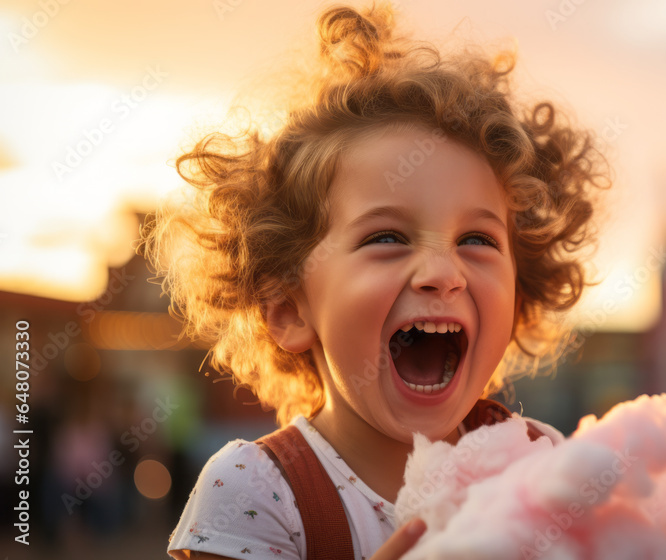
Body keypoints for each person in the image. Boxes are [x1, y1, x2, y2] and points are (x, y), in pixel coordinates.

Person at [143, 3, 609, 558]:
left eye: (477, 240)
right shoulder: (256, 493)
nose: (443, 274)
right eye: (386, 238)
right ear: (290, 308)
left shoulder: (541, 461)